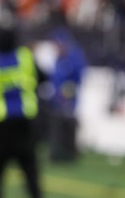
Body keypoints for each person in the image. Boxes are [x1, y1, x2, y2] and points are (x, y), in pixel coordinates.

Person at [0, 24, 42, 198]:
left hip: (0, 126)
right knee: (31, 176)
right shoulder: (26, 57)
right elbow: (42, 78)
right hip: (24, 124)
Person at [47, 27, 87, 163]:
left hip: (69, 99)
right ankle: (58, 154)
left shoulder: (74, 57)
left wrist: (68, 94)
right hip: (57, 99)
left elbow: (79, 78)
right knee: (57, 126)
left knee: (68, 125)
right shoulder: (58, 58)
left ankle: (69, 154)